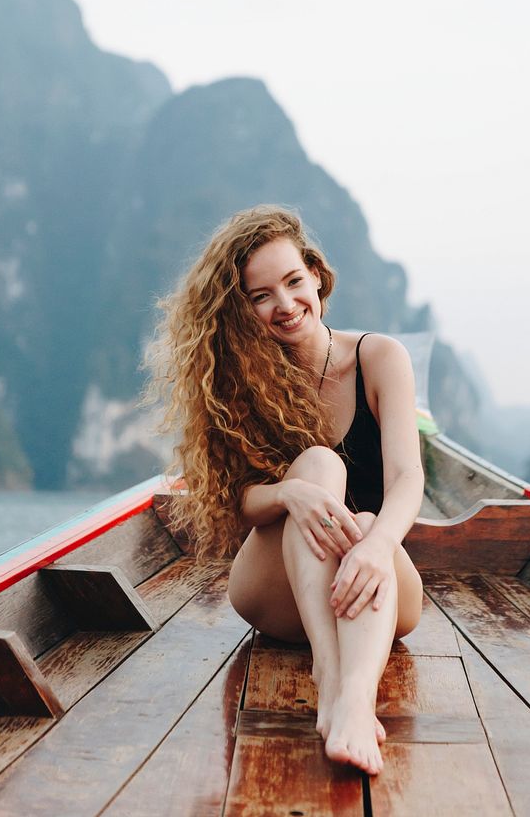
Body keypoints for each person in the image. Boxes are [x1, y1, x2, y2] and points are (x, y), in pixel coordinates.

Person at [144, 204, 424, 777]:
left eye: (294, 281)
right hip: (279, 594)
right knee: (318, 467)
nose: (285, 304)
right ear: (242, 310)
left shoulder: (379, 358)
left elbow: (406, 478)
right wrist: (289, 494)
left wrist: (373, 547)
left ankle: (352, 699)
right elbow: (236, 500)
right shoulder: (236, 380)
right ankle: (330, 672)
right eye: (260, 295)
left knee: (369, 521)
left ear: (316, 275)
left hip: (373, 582)